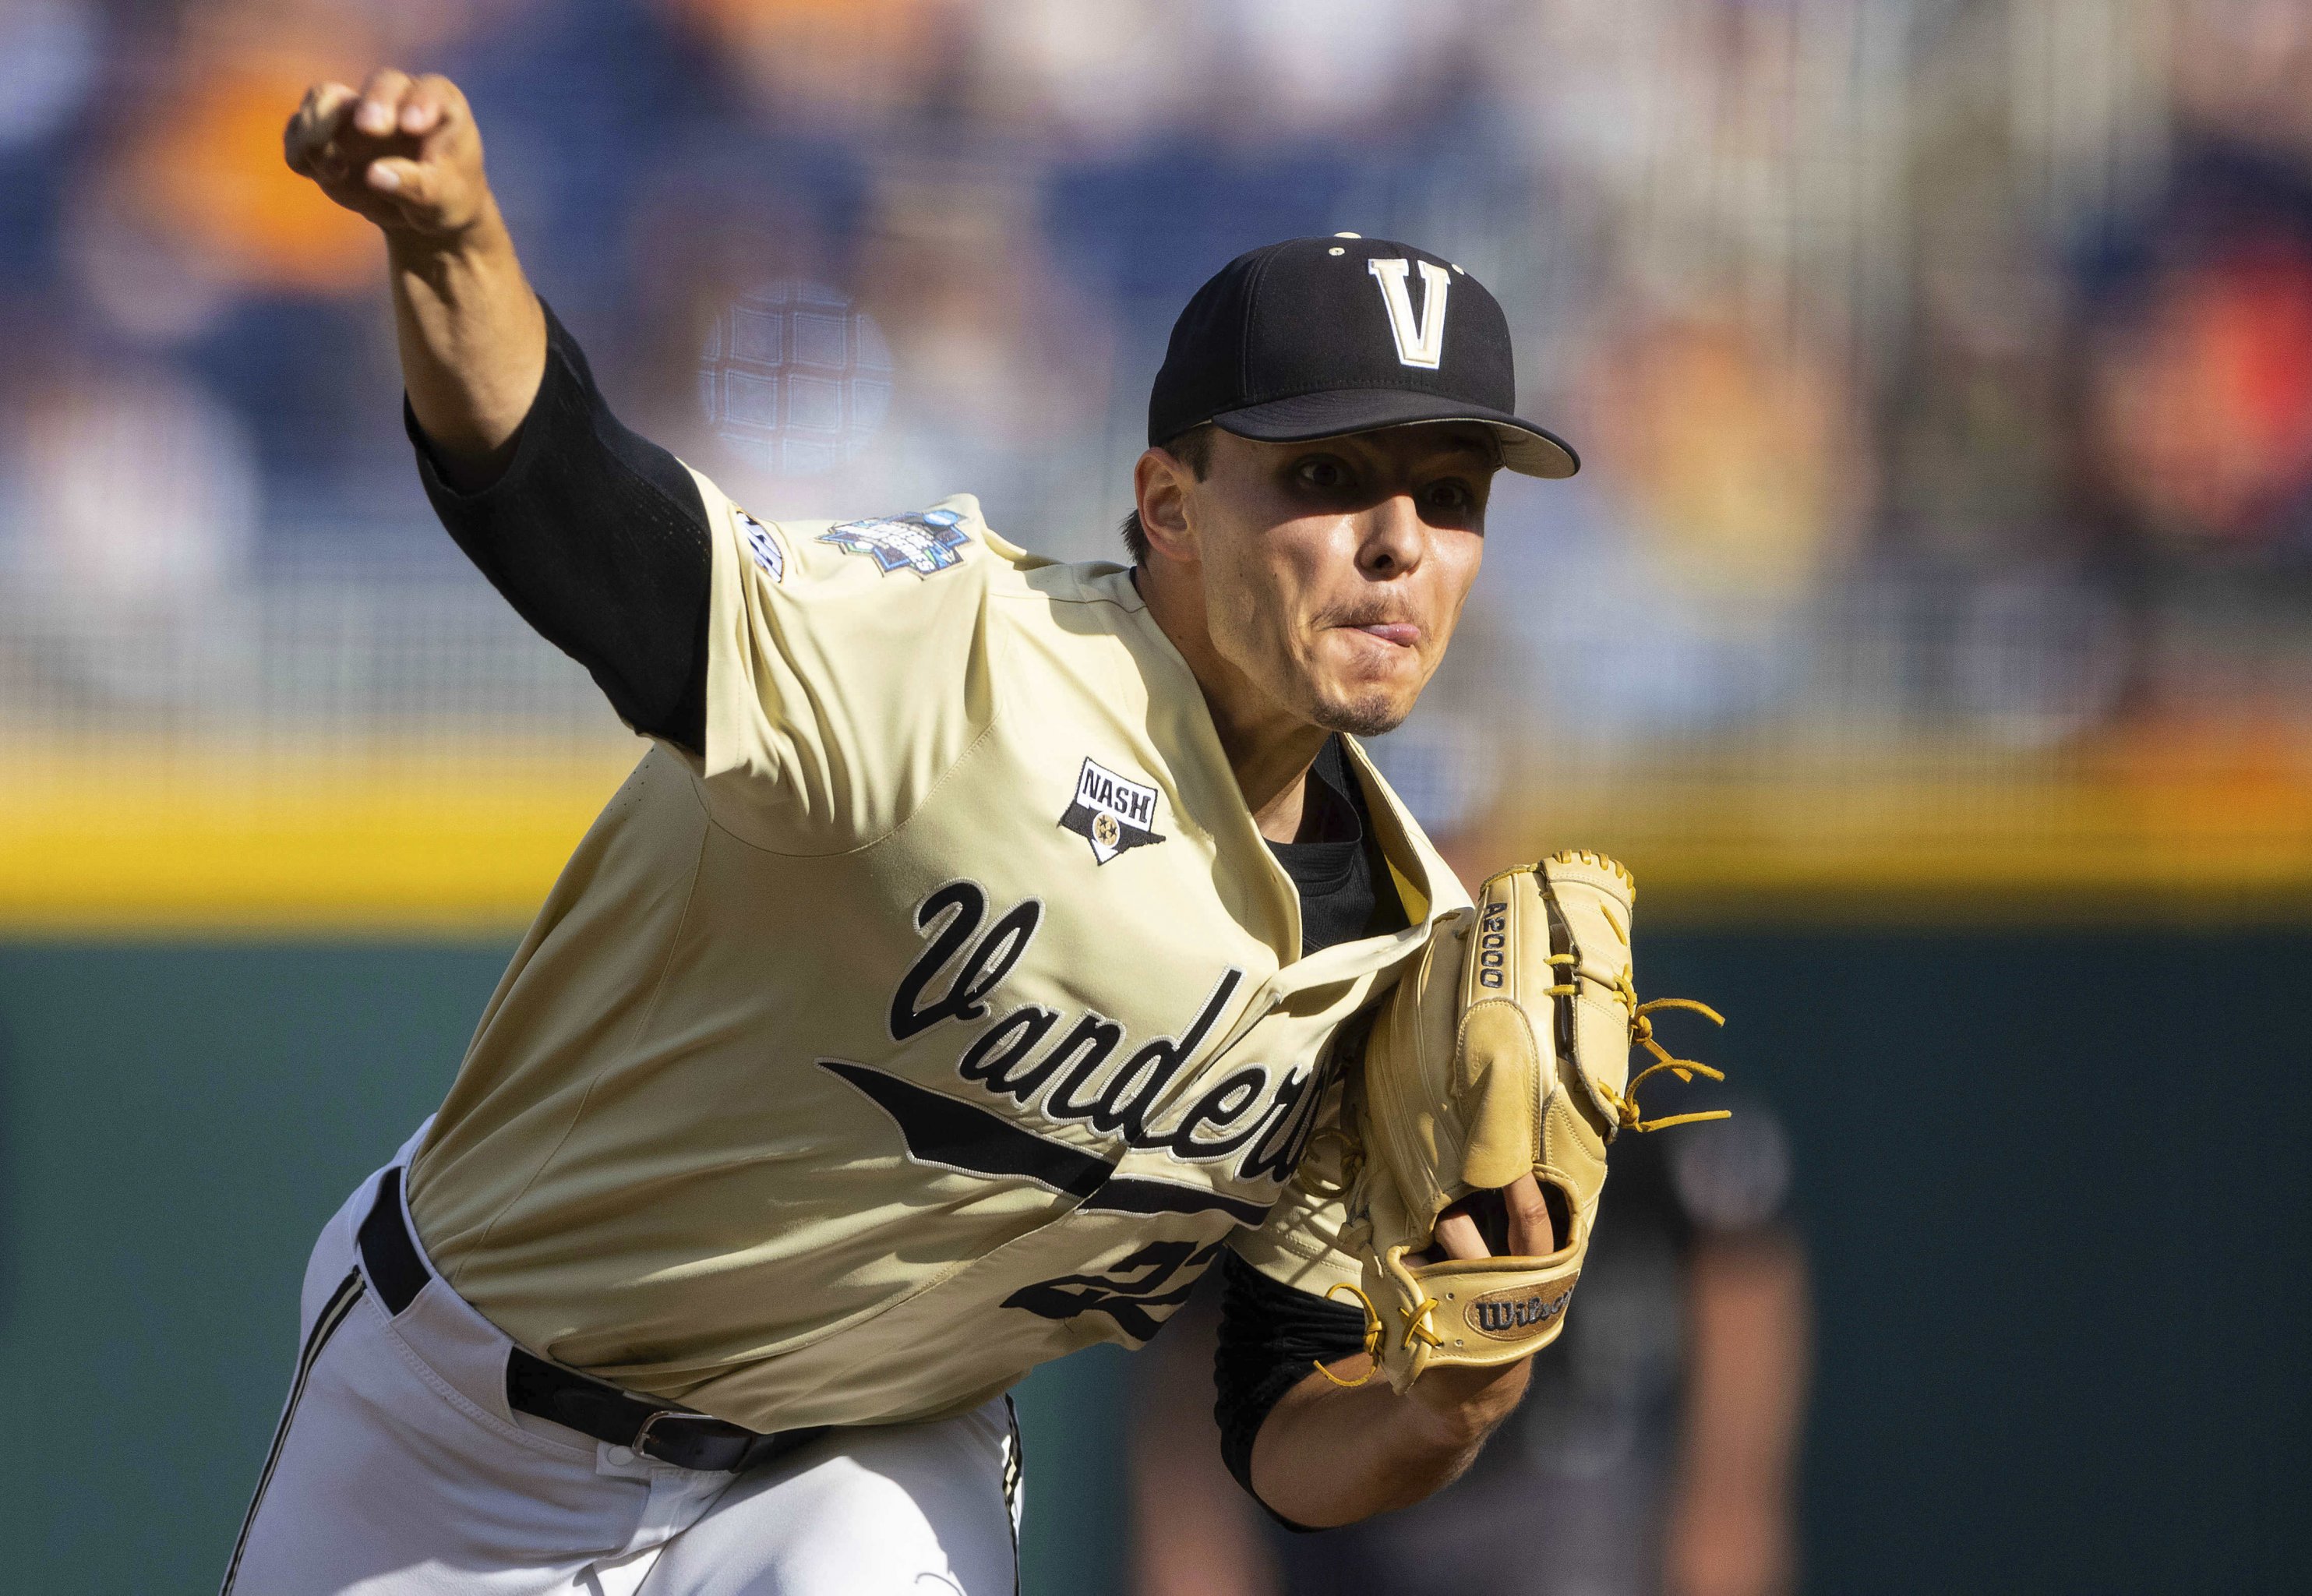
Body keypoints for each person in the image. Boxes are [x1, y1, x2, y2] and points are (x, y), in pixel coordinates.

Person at [231, 67, 1585, 1595]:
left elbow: (1285, 1428)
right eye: (1325, 477)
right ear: (1167, 504)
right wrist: (455, 242)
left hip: (857, 1471)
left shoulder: (1398, 960)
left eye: (1449, 492)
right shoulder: (949, 662)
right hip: (463, 1421)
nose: (1398, 542)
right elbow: (585, 529)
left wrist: (1443, 1405)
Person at [1128, 1106, 1810, 1596]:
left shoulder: (1588, 1022)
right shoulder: (1320, 1048)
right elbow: (1208, 1338)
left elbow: (1740, 1258)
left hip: (1560, 1477)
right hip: (1350, 1485)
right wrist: (1192, 1538)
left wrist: (1730, 1501)